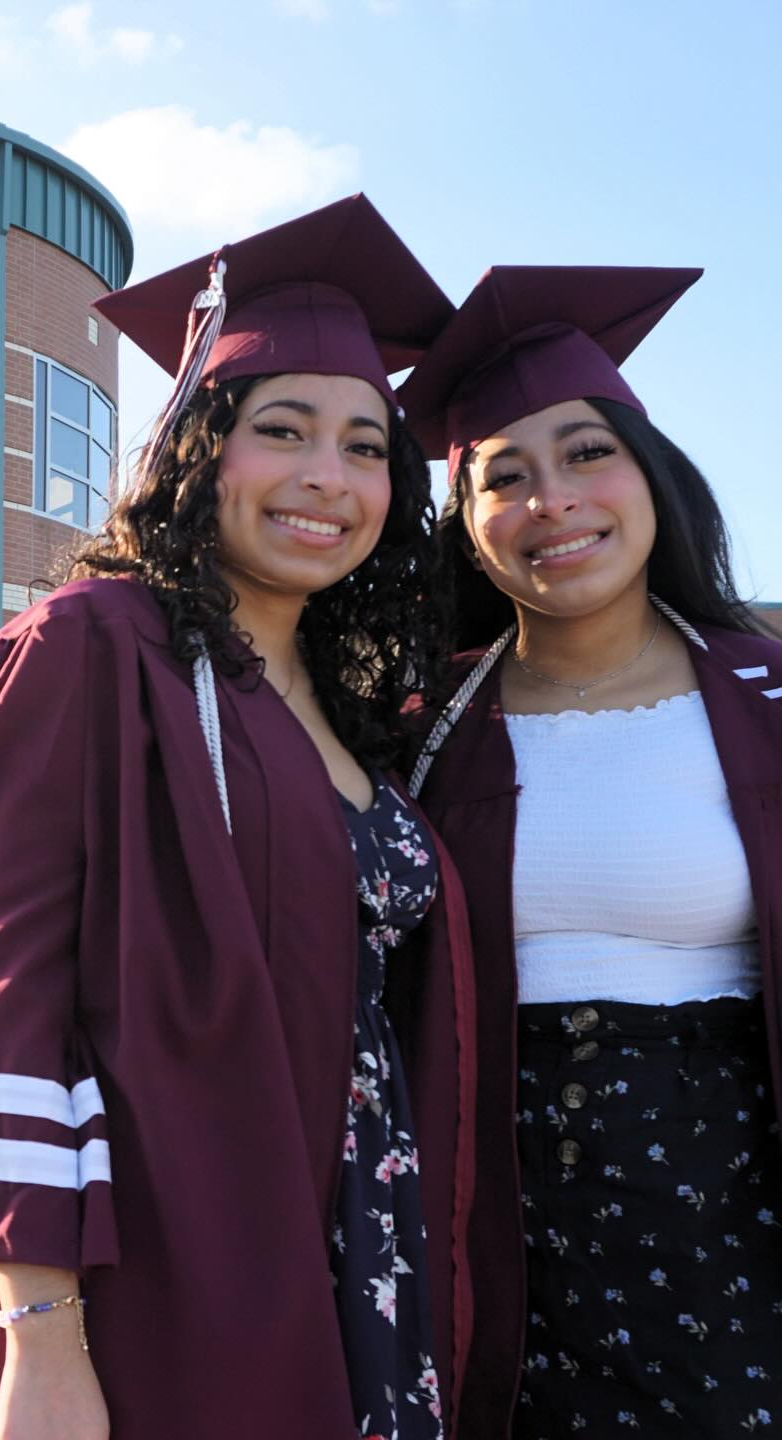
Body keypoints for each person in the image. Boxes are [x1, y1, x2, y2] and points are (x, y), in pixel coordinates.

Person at [0, 193, 478, 1440]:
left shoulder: (351, 702)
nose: (328, 477)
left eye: (367, 447)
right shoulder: (90, 650)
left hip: (366, 1241)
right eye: (284, 429)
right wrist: (43, 1337)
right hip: (176, 1260)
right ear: (199, 449)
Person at [400, 266, 782, 1439]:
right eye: (503, 477)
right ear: (466, 525)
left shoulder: (768, 693)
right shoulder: (414, 731)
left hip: (727, 1205)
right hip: (483, 1209)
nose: (551, 501)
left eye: (585, 455)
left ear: (650, 473)